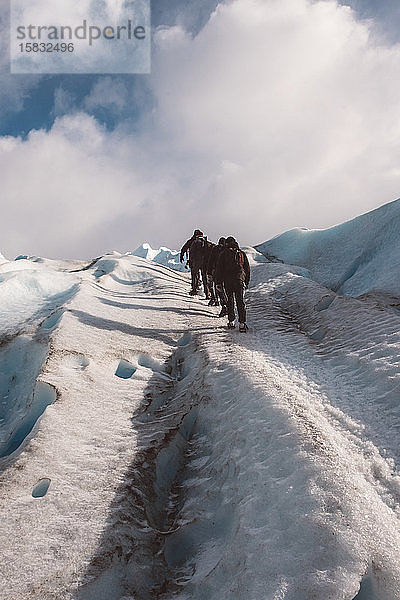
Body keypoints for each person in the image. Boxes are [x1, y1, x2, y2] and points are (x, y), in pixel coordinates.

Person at [215, 236, 250, 332]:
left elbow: (219, 269)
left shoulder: (223, 254)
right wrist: (246, 281)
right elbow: (247, 268)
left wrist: (218, 282)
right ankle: (242, 324)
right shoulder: (241, 253)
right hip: (239, 280)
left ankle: (231, 322)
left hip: (228, 281)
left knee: (230, 301)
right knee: (240, 301)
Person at [180, 229, 208, 296]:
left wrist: (181, 255)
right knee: (204, 276)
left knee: (194, 275)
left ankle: (194, 289)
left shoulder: (192, 241)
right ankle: (207, 292)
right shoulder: (205, 242)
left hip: (194, 262)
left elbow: (184, 248)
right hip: (204, 262)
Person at [207, 237, 228, 316]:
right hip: (227, 273)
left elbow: (211, 261)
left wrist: (209, 272)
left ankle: (223, 305)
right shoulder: (227, 250)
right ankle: (229, 307)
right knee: (227, 291)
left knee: (219, 289)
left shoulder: (215, 249)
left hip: (217, 272)